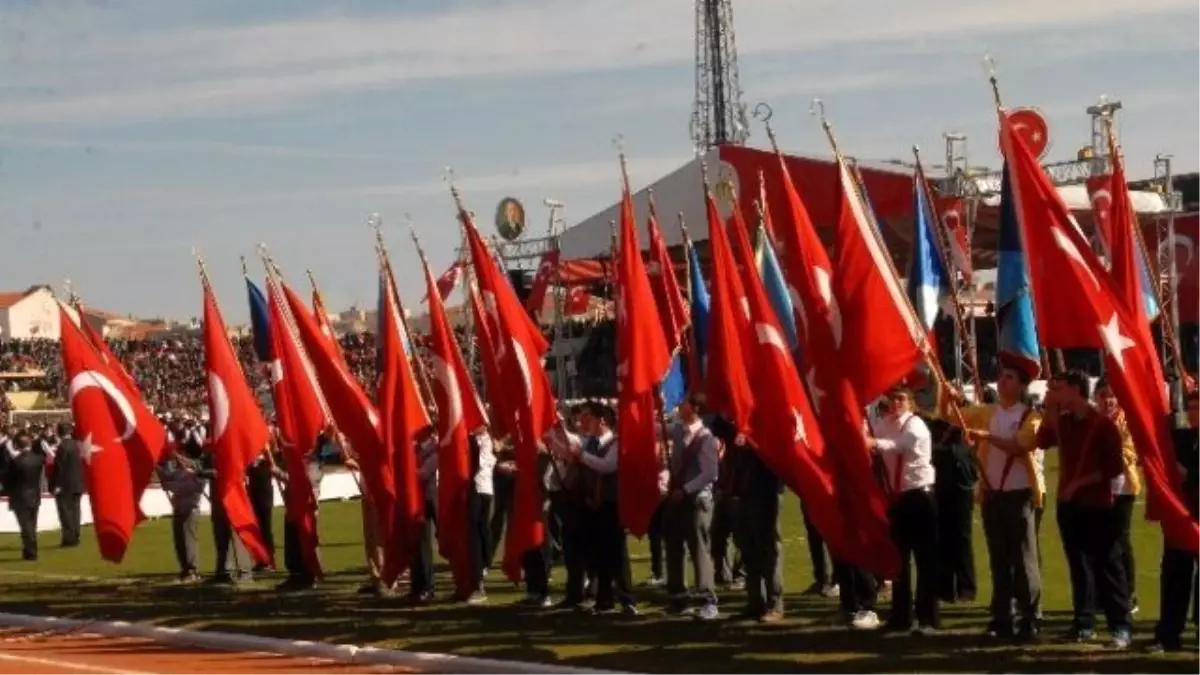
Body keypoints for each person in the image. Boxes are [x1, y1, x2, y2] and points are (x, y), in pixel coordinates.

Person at [1038, 370, 1132, 648]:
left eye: (1060, 388)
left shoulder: (1102, 425)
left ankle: (1121, 626)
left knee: (1108, 565)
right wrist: (1049, 409)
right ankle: (1084, 623)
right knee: (1079, 566)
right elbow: (1043, 440)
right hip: (1070, 506)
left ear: (1077, 390)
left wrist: (1079, 482)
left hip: (1099, 505)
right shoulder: (1064, 423)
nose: (1055, 393)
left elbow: (1113, 468)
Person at [951, 363, 1042, 641]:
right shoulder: (988, 412)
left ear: (1022, 385)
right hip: (992, 494)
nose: (1003, 380)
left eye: (1010, 376)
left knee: (1024, 558)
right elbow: (954, 417)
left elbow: (1020, 445)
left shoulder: (1032, 416)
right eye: (1002, 375)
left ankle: (1030, 617)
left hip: (1020, 494)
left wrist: (986, 436)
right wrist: (948, 394)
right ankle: (1002, 616)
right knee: (999, 560)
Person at [867, 387, 939, 635]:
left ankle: (927, 617)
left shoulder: (915, 424)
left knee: (925, 558)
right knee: (898, 559)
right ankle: (901, 615)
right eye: (892, 398)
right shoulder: (885, 423)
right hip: (896, 497)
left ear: (911, 402)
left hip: (918, 494)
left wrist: (874, 443)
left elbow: (901, 445)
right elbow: (873, 443)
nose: (896, 403)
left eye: (901, 399)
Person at [560, 401, 636, 615]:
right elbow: (571, 455)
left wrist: (581, 456)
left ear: (602, 420)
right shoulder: (589, 443)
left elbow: (608, 465)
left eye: (588, 417)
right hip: (591, 505)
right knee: (597, 554)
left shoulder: (615, 443)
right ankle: (604, 599)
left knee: (617, 552)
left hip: (611, 504)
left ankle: (627, 598)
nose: (583, 421)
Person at [715, 415, 785, 623]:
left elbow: (775, 458)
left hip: (763, 494)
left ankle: (775, 603)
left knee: (768, 548)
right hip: (738, 493)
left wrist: (750, 441)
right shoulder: (730, 429)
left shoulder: (765, 426)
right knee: (747, 549)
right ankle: (755, 600)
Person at [1149, 390, 1200, 652]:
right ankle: (1169, 633)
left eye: (1198, 408)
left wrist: (1185, 474)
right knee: (1174, 575)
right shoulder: (1182, 438)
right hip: (1180, 517)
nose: (1192, 413)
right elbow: (1160, 431)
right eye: (1190, 407)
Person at [663, 394, 720, 620]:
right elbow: (654, 428)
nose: (680, 406)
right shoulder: (677, 431)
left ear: (695, 408)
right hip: (677, 498)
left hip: (697, 500)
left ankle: (707, 599)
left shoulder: (705, 438)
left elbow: (710, 473)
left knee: (699, 550)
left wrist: (685, 490)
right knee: (674, 547)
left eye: (684, 403)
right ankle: (678, 598)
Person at [1094, 380, 1142, 614]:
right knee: (1099, 541)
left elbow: (1131, 453)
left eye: (1112, 396)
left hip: (1123, 488)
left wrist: (1106, 451)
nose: (1108, 400)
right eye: (1103, 395)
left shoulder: (1126, 420)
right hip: (1097, 489)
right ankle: (1104, 595)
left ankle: (1129, 594)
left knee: (1120, 541)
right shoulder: (1093, 421)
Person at [929, 408, 976, 604]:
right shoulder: (933, 422)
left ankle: (966, 587)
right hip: (940, 485)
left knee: (962, 538)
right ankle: (944, 588)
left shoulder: (964, 418)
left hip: (961, 487)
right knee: (942, 539)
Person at [158, 444, 205, 583]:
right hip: (178, 508)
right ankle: (184, 570)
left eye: (183, 454)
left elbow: (180, 487)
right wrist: (157, 466)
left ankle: (192, 570)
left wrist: (178, 458)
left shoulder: (197, 472)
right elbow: (167, 479)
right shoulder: (179, 471)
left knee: (188, 541)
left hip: (189, 509)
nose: (180, 457)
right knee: (179, 542)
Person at [466, 426, 496, 605]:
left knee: (477, 531)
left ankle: (479, 576)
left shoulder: (482, 440)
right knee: (479, 530)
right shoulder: (480, 440)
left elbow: (478, 464)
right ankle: (483, 564)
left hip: (480, 488)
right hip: (480, 488)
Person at [5, 430, 44, 561]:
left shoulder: (16, 462)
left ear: (18, 446)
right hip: (34, 494)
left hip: (20, 496)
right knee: (32, 525)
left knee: (26, 526)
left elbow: (9, 480)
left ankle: (31, 551)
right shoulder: (38, 459)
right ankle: (29, 550)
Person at [409, 427, 438, 603]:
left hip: (429, 502)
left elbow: (423, 474)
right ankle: (417, 585)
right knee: (416, 544)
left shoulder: (434, 449)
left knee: (426, 545)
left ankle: (428, 586)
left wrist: (405, 471)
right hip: (415, 502)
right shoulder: (414, 449)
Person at [49, 423, 84, 548]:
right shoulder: (75, 445)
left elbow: (60, 467)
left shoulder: (63, 447)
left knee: (66, 512)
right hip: (77, 484)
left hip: (65, 485)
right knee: (75, 511)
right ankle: (75, 535)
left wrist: (57, 484)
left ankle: (69, 539)